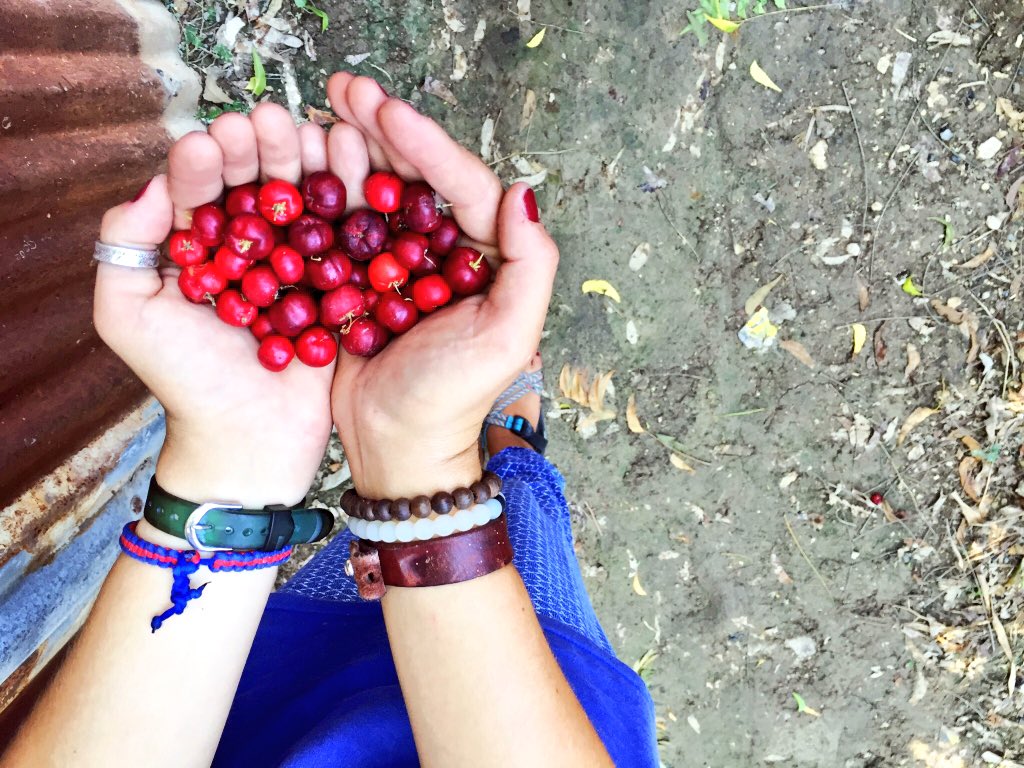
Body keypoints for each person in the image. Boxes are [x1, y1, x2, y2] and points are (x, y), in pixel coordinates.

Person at [1, 74, 658, 768]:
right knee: (523, 512)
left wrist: (228, 468)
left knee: (343, 608)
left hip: (267, 713)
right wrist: (419, 461)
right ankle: (511, 447)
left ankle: (496, 445)